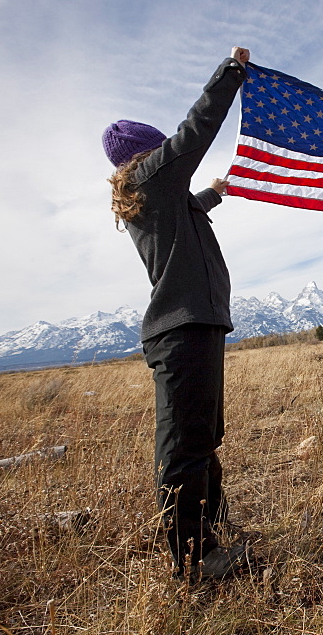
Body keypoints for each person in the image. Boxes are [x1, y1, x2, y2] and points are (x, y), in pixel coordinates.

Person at [103, 46, 253, 581]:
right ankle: (195, 560)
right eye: (159, 148)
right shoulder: (151, 177)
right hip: (183, 332)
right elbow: (196, 129)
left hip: (198, 328)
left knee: (201, 441)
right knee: (185, 450)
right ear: (145, 155)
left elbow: (185, 219)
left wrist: (212, 193)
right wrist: (230, 72)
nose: (169, 153)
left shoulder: (160, 199)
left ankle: (211, 536)